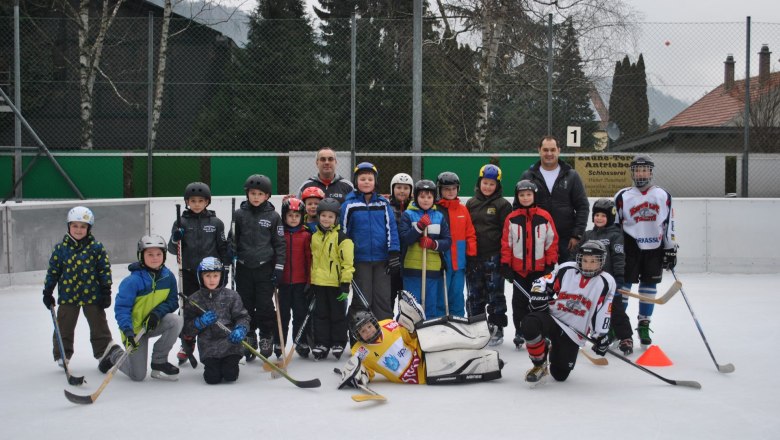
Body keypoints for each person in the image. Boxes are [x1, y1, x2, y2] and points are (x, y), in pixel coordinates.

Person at [337, 291, 502, 388]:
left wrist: (411, 330)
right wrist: (358, 375)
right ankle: (489, 363)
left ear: (374, 322)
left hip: (421, 348)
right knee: (457, 361)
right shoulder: (359, 351)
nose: (367, 331)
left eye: (369, 326)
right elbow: (367, 372)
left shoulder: (386, 324)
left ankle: (480, 332)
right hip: (421, 373)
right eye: (362, 331)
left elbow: (409, 338)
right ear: (357, 335)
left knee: (447, 336)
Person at [520, 240, 615, 384]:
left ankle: (553, 349)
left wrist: (600, 336)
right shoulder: (567, 269)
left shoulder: (606, 281)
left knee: (560, 375)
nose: (588, 265)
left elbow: (603, 310)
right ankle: (539, 364)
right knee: (530, 324)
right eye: (585, 260)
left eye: (593, 261)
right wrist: (538, 295)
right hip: (554, 317)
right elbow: (542, 282)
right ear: (579, 259)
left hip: (574, 332)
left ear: (601, 262)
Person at [99, 235, 184, 381]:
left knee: (176, 320)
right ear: (141, 256)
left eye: (158, 254)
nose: (154, 258)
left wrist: (157, 314)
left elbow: (173, 301)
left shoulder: (168, 277)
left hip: (152, 323)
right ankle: (114, 354)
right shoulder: (132, 281)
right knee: (137, 375)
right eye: (149, 254)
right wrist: (128, 330)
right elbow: (122, 309)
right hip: (134, 330)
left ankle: (159, 361)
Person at [614, 155, 678, 346]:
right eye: (637, 170)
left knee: (649, 287)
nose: (640, 174)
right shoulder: (623, 195)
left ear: (651, 172)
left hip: (654, 248)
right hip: (630, 247)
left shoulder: (662, 195)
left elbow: (669, 224)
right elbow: (615, 225)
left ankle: (644, 323)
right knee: (624, 287)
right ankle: (620, 326)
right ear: (632, 172)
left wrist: (670, 249)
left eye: (644, 170)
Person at [43, 206, 117, 370]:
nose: (78, 230)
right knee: (64, 326)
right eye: (75, 226)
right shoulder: (61, 249)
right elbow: (53, 272)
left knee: (99, 325)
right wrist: (48, 291)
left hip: (92, 294)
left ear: (88, 228)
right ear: (69, 226)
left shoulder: (96, 248)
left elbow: (104, 270)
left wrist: (106, 290)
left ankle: (104, 353)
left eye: (83, 226)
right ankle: (63, 354)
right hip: (68, 295)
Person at [167, 182, 230, 365]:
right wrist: (175, 238)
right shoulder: (181, 222)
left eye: (200, 201)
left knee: (213, 307)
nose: (196, 204)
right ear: (187, 202)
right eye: (192, 201)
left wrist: (224, 268)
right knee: (188, 308)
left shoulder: (216, 223)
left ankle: (215, 340)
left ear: (207, 202)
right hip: (188, 272)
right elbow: (172, 249)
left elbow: (222, 247)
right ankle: (187, 343)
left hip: (210, 274)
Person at [229, 174, 286, 360]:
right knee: (245, 305)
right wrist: (231, 252)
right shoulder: (239, 214)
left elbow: (280, 244)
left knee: (264, 306)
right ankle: (250, 334)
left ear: (267, 196)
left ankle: (266, 336)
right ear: (247, 194)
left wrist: (278, 268)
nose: (256, 197)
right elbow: (233, 239)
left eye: (260, 194)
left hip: (264, 268)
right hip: (244, 268)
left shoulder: (273, 216)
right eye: (252, 193)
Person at [500, 180, 558, 349]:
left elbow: (551, 242)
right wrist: (506, 264)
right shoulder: (511, 218)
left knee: (539, 301)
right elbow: (506, 243)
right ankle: (520, 330)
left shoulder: (544, 217)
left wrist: (550, 263)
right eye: (522, 195)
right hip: (519, 271)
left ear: (534, 196)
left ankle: (542, 330)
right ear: (517, 197)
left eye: (529, 195)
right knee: (519, 302)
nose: (525, 198)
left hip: (539, 271)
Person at [340, 162, 401, 321]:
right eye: (362, 178)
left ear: (375, 182)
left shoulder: (383, 204)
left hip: (382, 260)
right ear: (356, 182)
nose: (366, 182)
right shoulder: (349, 205)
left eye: (370, 179)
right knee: (362, 299)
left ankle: (385, 336)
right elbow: (343, 233)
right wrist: (345, 258)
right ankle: (359, 336)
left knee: (382, 298)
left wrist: (393, 252)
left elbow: (391, 228)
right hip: (360, 260)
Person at [520, 136, 589, 262]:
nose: (549, 153)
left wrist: (577, 235)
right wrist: (526, 235)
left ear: (559, 150)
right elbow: (518, 207)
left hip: (567, 239)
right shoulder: (528, 176)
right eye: (545, 150)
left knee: (567, 277)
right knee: (540, 280)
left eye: (553, 149)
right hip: (538, 238)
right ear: (539, 151)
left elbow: (582, 207)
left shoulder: (572, 175)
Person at [181, 257, 250, 385]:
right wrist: (199, 322)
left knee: (230, 375)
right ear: (200, 277)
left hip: (230, 344)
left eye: (215, 275)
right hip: (208, 347)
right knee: (212, 378)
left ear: (221, 276)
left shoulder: (232, 296)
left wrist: (241, 329)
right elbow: (186, 328)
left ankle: (232, 363)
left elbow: (243, 317)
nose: (212, 279)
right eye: (207, 275)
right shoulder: (194, 299)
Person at [578, 198, 633, 355]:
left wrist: (619, 279)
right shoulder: (588, 235)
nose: (599, 218)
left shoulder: (615, 235)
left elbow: (618, 257)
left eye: (603, 215)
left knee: (615, 310)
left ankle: (625, 337)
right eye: (597, 215)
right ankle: (598, 337)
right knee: (590, 310)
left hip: (609, 283)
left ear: (610, 217)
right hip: (590, 282)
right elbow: (577, 256)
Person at [465, 164, 513, 345]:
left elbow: (507, 233)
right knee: (475, 293)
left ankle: (496, 327)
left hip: (494, 256)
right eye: (485, 183)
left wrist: (505, 259)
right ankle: (475, 326)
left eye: (492, 184)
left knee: (495, 293)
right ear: (479, 182)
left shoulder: (503, 205)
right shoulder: (471, 203)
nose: (487, 187)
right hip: (474, 257)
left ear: (498, 186)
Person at [399, 179, 451, 318]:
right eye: (422, 196)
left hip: (433, 269)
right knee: (412, 306)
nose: (426, 200)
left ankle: (430, 333)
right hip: (412, 268)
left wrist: (433, 244)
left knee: (430, 305)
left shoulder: (439, 217)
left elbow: (447, 241)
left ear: (434, 198)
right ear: (416, 197)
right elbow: (405, 239)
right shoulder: (408, 215)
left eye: (429, 197)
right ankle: (411, 334)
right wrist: (419, 227)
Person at [310, 198, 355, 360]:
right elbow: (314, 260)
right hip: (319, 284)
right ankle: (322, 343)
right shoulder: (314, 236)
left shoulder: (342, 238)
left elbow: (348, 264)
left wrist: (345, 284)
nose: (326, 219)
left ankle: (339, 342)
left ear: (336, 219)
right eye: (323, 215)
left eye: (330, 216)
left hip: (336, 284)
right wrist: (311, 281)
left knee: (337, 314)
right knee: (320, 315)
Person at [436, 172, 477, 317]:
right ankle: (439, 321)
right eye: (446, 189)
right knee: (441, 293)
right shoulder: (436, 210)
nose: (450, 192)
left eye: (453, 188)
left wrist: (471, 256)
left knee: (457, 292)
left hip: (459, 258)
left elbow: (470, 234)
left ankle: (458, 320)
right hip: (442, 258)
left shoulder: (462, 209)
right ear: (440, 190)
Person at [279, 197, 313, 358]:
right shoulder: (280, 235)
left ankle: (300, 341)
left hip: (300, 283)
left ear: (302, 217)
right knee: (282, 314)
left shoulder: (306, 235)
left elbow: (309, 260)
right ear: (284, 216)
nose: (293, 219)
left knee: (300, 313)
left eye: (297, 215)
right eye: (290, 215)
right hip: (283, 283)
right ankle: (279, 341)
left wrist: (309, 281)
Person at [388, 172, 414, 300]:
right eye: (398, 187)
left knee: (407, 297)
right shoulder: (387, 207)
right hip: (392, 257)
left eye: (406, 188)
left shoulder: (414, 209)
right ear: (392, 189)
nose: (402, 191)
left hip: (409, 256)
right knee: (390, 294)